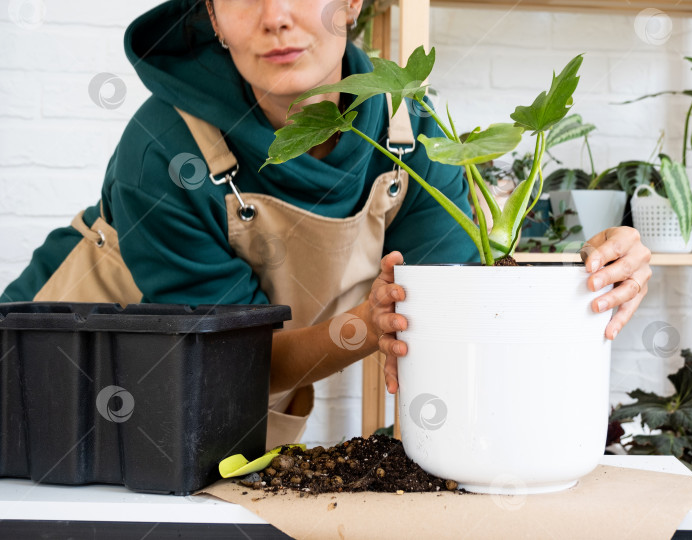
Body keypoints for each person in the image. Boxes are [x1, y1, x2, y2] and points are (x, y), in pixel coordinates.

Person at [1, 0, 652, 447]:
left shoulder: (413, 136)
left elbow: (460, 307)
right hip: (54, 392)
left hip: (200, 420)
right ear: (213, 20)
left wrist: (590, 271)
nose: (275, 17)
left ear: (351, 2)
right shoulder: (167, 146)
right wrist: (366, 328)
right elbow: (226, 362)